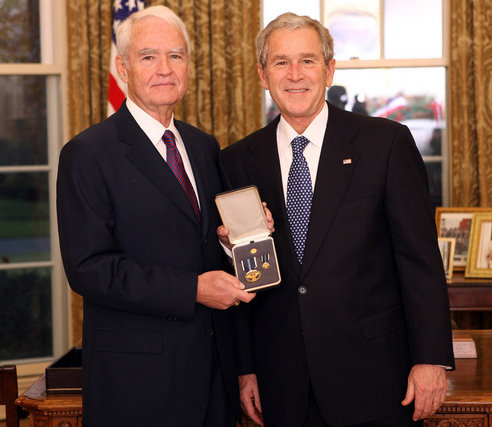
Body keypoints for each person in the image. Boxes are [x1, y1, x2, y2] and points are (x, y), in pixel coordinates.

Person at [219, 12, 454, 427]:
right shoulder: (237, 160)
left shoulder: (386, 144)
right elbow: (242, 279)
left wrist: (431, 359)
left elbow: (420, 263)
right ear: (261, 73)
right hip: (280, 383)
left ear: (329, 70)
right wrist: (244, 368)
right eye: (280, 62)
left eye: (308, 60)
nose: (295, 75)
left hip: (376, 380)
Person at [56, 6, 258, 426]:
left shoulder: (204, 148)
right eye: (149, 56)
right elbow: (89, 270)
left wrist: (232, 238)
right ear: (123, 67)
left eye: (176, 55)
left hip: (213, 380)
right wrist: (192, 290)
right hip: (138, 386)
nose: (164, 68)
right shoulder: (88, 153)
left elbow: (203, 243)